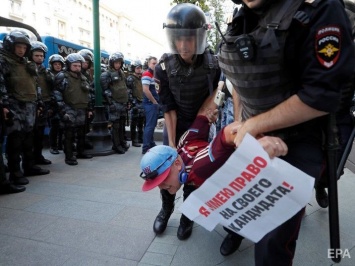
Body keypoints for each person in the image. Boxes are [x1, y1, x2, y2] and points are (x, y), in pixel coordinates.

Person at [216, 0, 355, 264]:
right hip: (252, 136)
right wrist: (241, 126)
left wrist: (254, 126)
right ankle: (235, 232)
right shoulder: (243, 16)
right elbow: (242, 84)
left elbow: (321, 95)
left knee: (271, 244)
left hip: (296, 144)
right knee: (235, 204)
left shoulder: (319, 7)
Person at [153, 3, 221, 241]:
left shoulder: (213, 64)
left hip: (200, 126)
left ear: (199, 38)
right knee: (167, 171)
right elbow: (168, 108)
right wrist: (172, 145)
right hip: (176, 124)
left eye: (189, 39)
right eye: (178, 39)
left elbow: (217, 94)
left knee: (194, 174)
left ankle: (188, 216)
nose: (183, 45)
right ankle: (166, 209)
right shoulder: (163, 67)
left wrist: (210, 115)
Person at [0, 30, 50, 186]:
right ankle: (15, 172)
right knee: (15, 141)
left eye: (24, 47)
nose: (21, 50)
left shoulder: (27, 63)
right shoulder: (4, 61)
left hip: (30, 105)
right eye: (18, 47)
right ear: (11, 46)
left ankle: (29, 166)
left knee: (29, 139)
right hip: (15, 105)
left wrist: (39, 103)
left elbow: (36, 85)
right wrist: (5, 105)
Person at [53, 53, 93, 165]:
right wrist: (63, 110)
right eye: (75, 65)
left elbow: (87, 94)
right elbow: (57, 94)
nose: (77, 68)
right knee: (69, 134)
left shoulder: (83, 77)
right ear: (69, 65)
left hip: (81, 108)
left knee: (81, 133)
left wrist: (89, 108)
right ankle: (69, 156)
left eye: (79, 66)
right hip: (69, 108)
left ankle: (80, 152)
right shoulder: (62, 76)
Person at [100, 52, 130, 154]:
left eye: (119, 63)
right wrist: (111, 103)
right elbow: (106, 91)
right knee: (115, 126)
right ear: (112, 63)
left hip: (122, 103)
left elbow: (124, 88)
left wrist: (127, 101)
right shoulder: (106, 74)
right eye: (116, 63)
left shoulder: (121, 73)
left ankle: (122, 142)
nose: (118, 65)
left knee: (122, 124)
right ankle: (116, 146)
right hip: (114, 103)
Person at [30, 41, 53, 166]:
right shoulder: (29, 68)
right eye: (36, 55)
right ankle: (31, 160)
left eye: (41, 56)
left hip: (43, 105)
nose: (39, 58)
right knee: (31, 135)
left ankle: (38, 156)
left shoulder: (44, 71)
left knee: (39, 133)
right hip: (31, 106)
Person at [47, 54, 65, 155]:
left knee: (62, 125)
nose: (58, 66)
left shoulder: (64, 74)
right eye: (55, 64)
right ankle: (53, 146)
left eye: (59, 64)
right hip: (52, 104)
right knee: (54, 126)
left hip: (62, 103)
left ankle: (60, 145)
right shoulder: (48, 74)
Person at [78, 49, 95, 150]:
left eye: (87, 62)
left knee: (86, 125)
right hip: (78, 103)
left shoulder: (87, 74)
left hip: (86, 103)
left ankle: (84, 141)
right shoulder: (77, 73)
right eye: (83, 61)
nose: (85, 64)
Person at [141, 56, 158, 155]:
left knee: (151, 125)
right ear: (148, 64)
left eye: (156, 63)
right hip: (150, 103)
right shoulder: (147, 74)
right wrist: (154, 101)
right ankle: (146, 146)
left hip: (151, 103)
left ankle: (150, 143)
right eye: (153, 63)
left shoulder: (152, 75)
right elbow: (145, 90)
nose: (155, 65)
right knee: (150, 126)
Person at [126, 59, 145, 147]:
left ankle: (141, 138)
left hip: (141, 102)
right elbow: (128, 91)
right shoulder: (130, 78)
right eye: (137, 68)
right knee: (133, 123)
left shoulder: (141, 78)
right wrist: (131, 102)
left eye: (140, 68)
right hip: (134, 103)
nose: (139, 69)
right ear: (134, 68)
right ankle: (134, 140)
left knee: (141, 122)